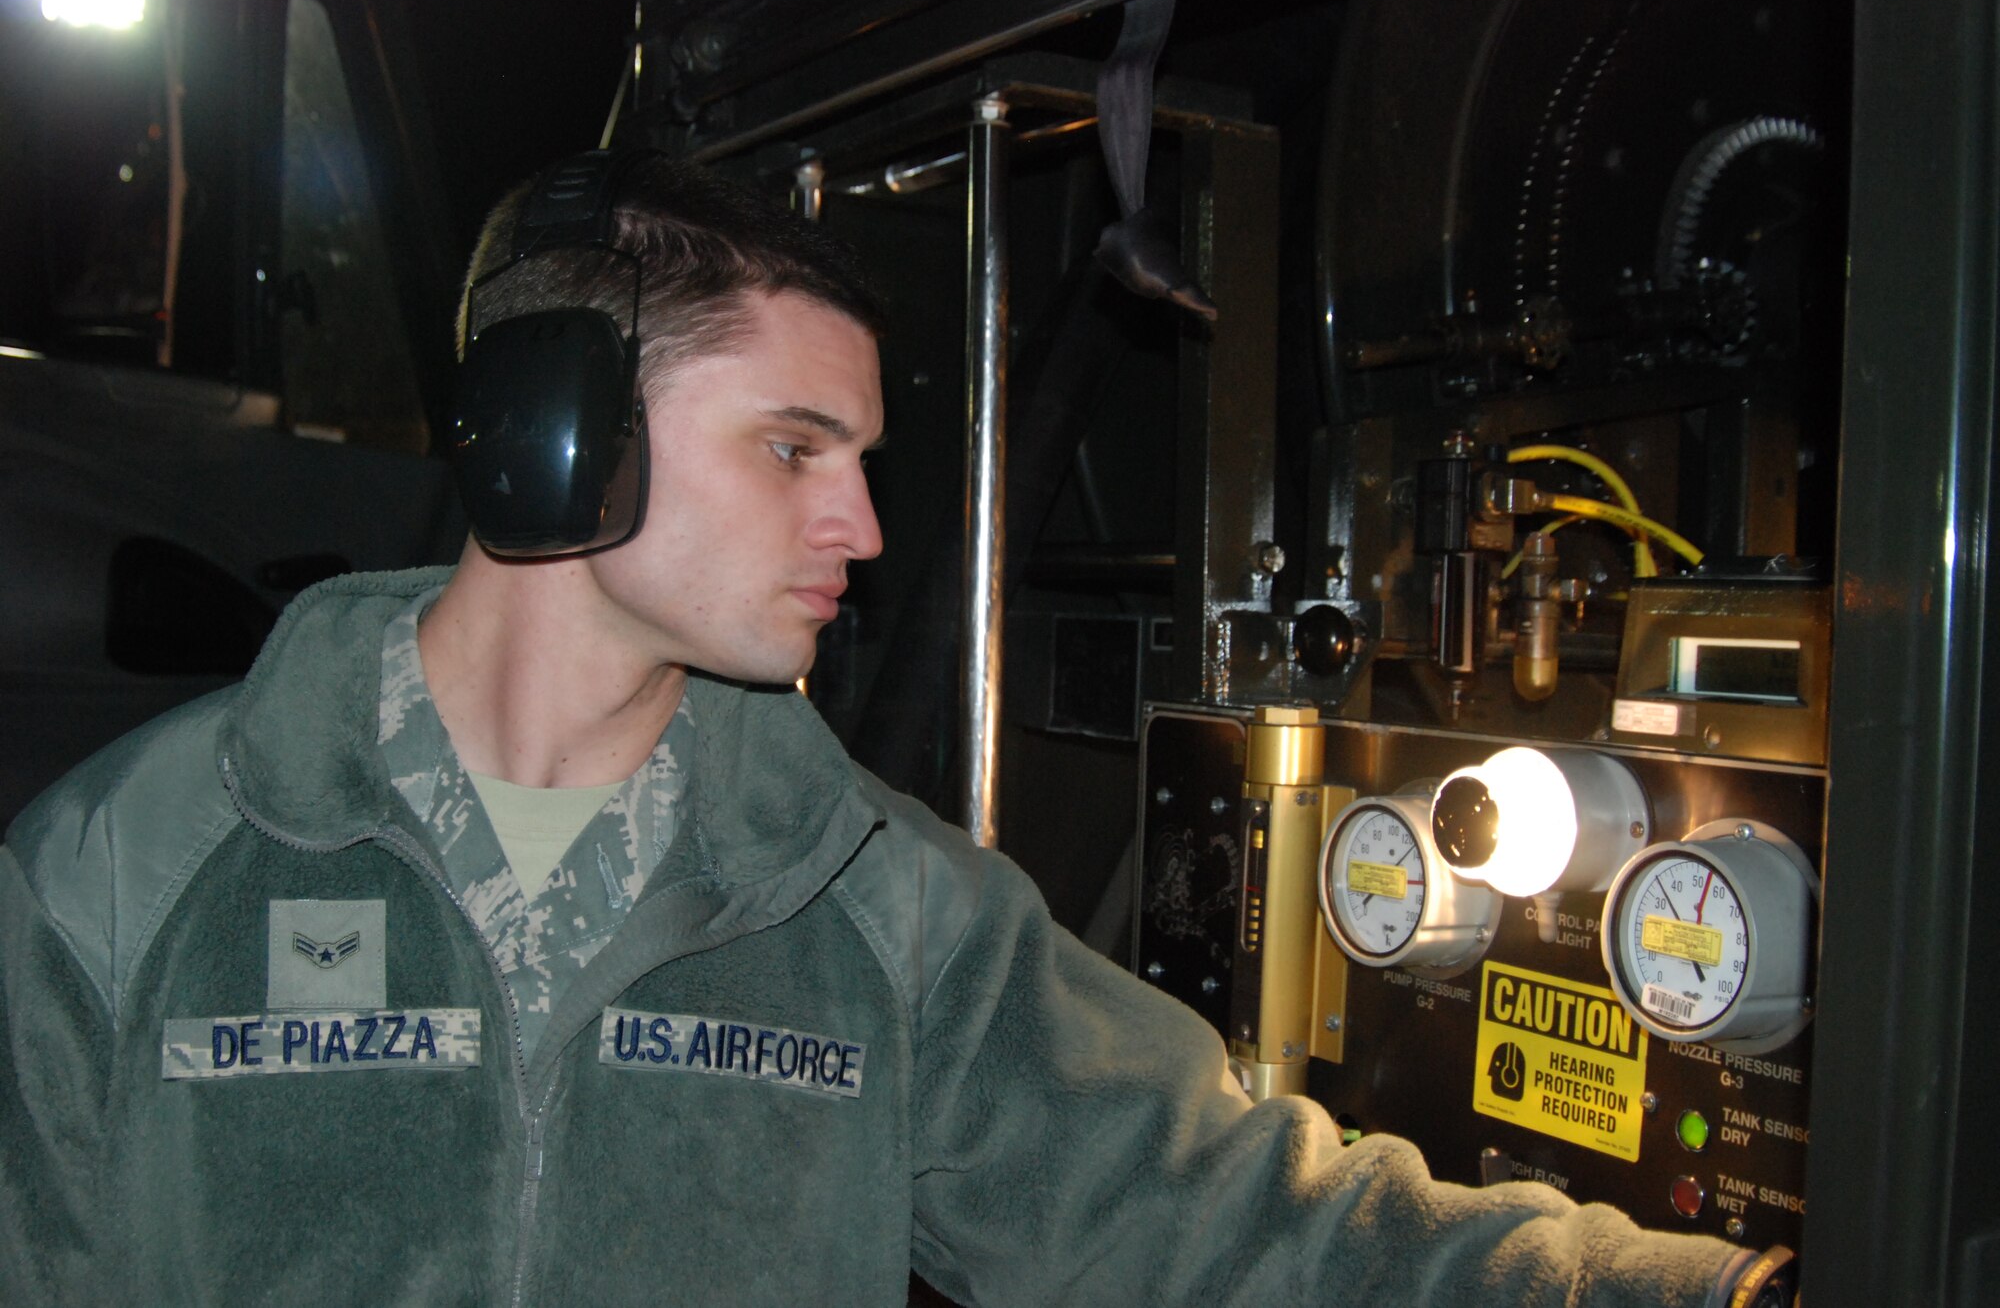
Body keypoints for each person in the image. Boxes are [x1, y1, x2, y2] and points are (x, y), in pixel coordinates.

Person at [0, 152, 1793, 1306]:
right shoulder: (123, 877)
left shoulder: (875, 909)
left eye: (862, 462)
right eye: (794, 450)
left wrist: (1691, 1296)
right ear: (553, 434)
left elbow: (1240, 1220)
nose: (860, 526)